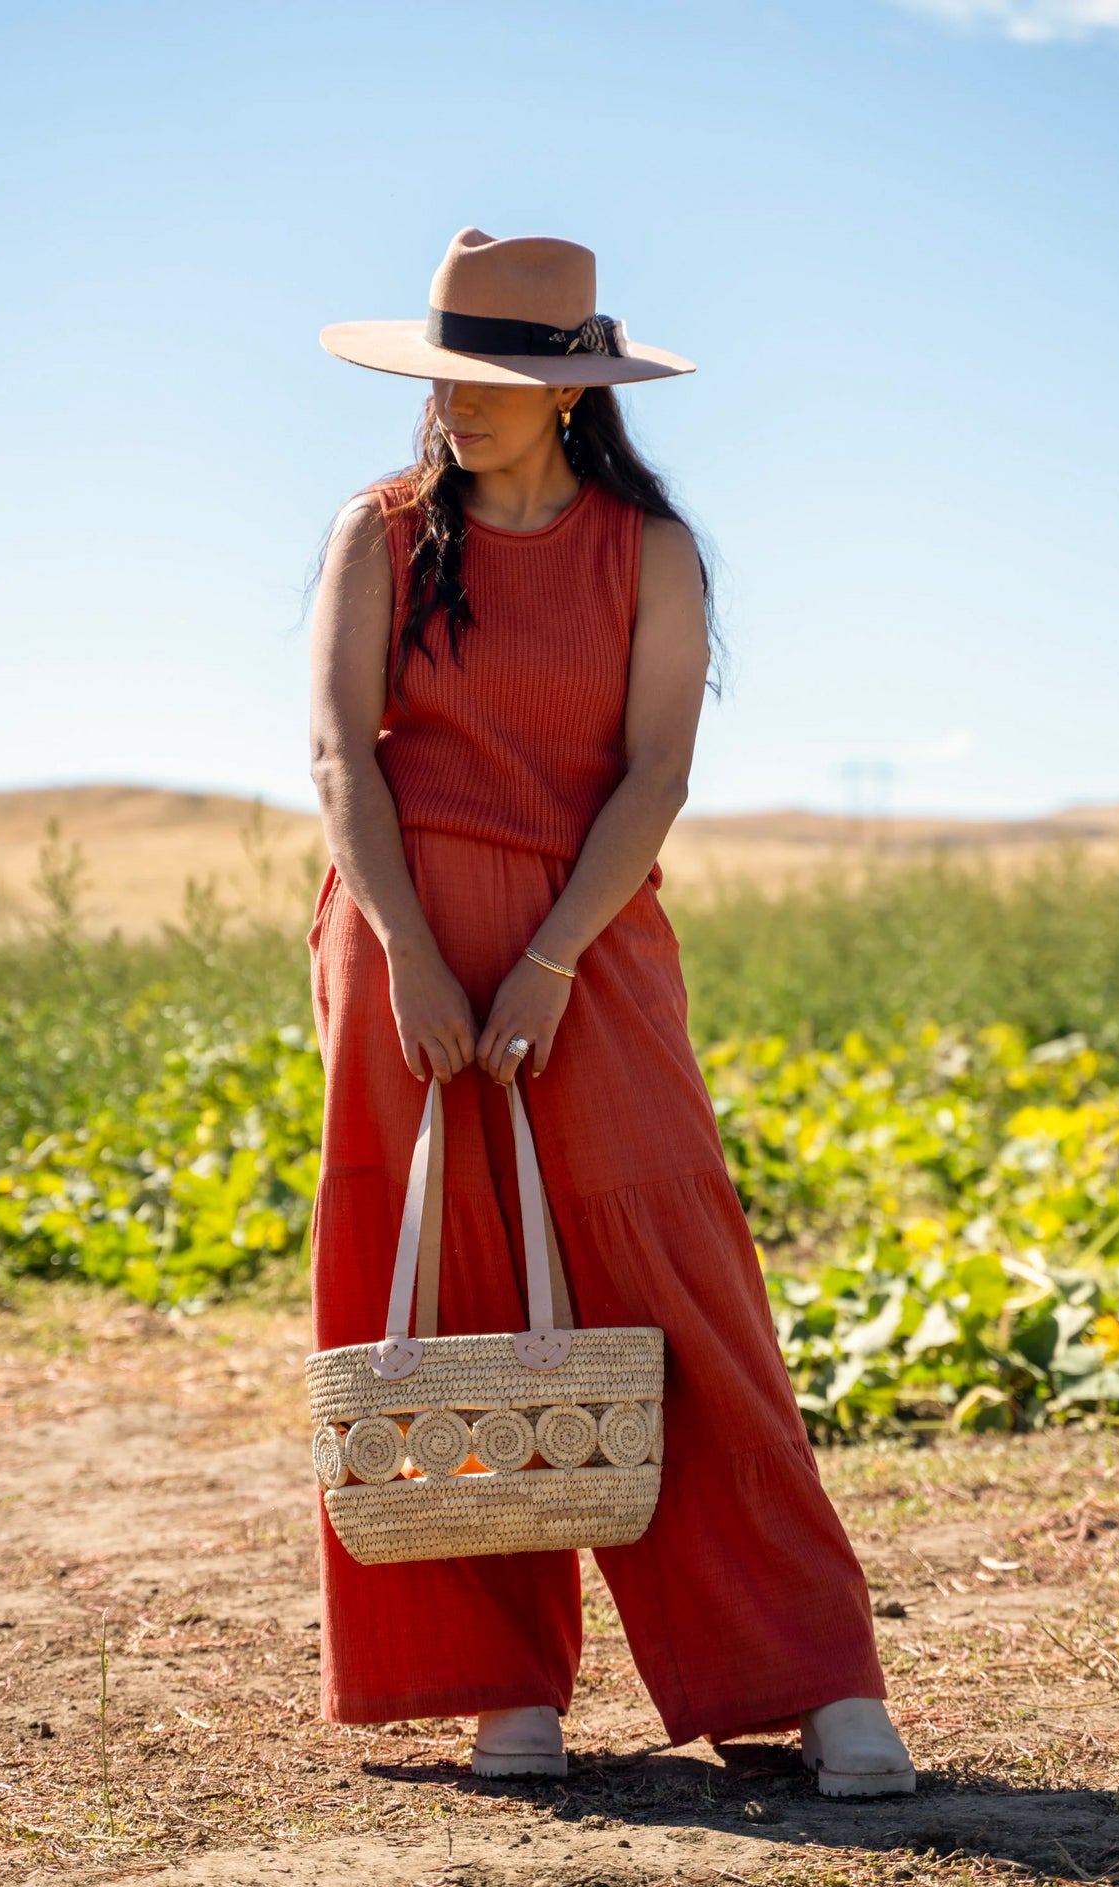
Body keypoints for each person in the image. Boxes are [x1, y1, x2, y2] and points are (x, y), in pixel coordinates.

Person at [305, 227, 915, 1797]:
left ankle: (814, 1673)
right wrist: (417, 954)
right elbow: (337, 761)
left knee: (683, 1290)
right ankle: (497, 1678)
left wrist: (553, 959)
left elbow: (656, 775)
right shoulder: (376, 536)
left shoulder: (651, 551)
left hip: (593, 948)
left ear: (577, 389)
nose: (463, 405)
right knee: (447, 1299)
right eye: (450, 377)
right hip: (402, 944)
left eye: (499, 380)